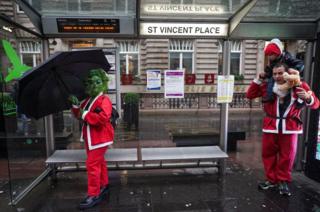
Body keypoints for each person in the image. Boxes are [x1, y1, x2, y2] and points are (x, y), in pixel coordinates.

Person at [246, 63, 319, 196]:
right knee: (268, 155)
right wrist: (258, 79)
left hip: (290, 127)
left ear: (286, 73)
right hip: (270, 126)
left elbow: (316, 104)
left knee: (287, 156)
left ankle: (282, 181)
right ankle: (271, 180)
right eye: (274, 74)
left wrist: (308, 98)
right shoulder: (267, 86)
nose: (277, 76)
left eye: (280, 73)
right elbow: (250, 94)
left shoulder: (299, 86)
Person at [69, 68, 114, 209]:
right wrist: (76, 105)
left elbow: (103, 118)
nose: (93, 85)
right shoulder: (88, 100)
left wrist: (83, 113)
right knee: (99, 162)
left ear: (103, 83)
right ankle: (104, 185)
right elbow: (79, 114)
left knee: (92, 164)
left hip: (100, 138)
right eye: (90, 83)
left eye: (97, 82)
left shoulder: (104, 99)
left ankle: (93, 194)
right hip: (91, 137)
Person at [263, 38, 304, 102]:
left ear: (276, 53)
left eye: (270, 54)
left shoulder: (287, 57)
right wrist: (266, 73)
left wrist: (292, 71)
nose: (269, 57)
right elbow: (271, 72)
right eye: (268, 55)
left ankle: (300, 99)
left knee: (296, 85)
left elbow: (300, 64)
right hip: (281, 78)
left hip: (288, 77)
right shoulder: (273, 61)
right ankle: (270, 96)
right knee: (271, 80)